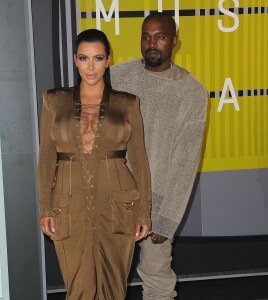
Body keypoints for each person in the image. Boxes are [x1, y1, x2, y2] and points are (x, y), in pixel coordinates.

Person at [37, 28, 151, 299]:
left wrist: (144, 211)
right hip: (68, 204)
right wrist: (45, 207)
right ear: (75, 59)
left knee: (114, 285)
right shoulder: (53, 100)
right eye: (84, 58)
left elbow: (139, 159)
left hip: (118, 204)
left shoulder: (128, 103)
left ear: (108, 60)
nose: (91, 67)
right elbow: (45, 158)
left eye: (98, 58)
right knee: (78, 286)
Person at [111, 12, 208, 299]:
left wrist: (168, 219)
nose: (152, 43)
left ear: (175, 41)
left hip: (158, 202)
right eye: (146, 36)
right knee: (105, 278)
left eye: (160, 36)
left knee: (158, 283)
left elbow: (185, 161)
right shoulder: (117, 76)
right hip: (114, 197)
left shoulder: (191, 92)